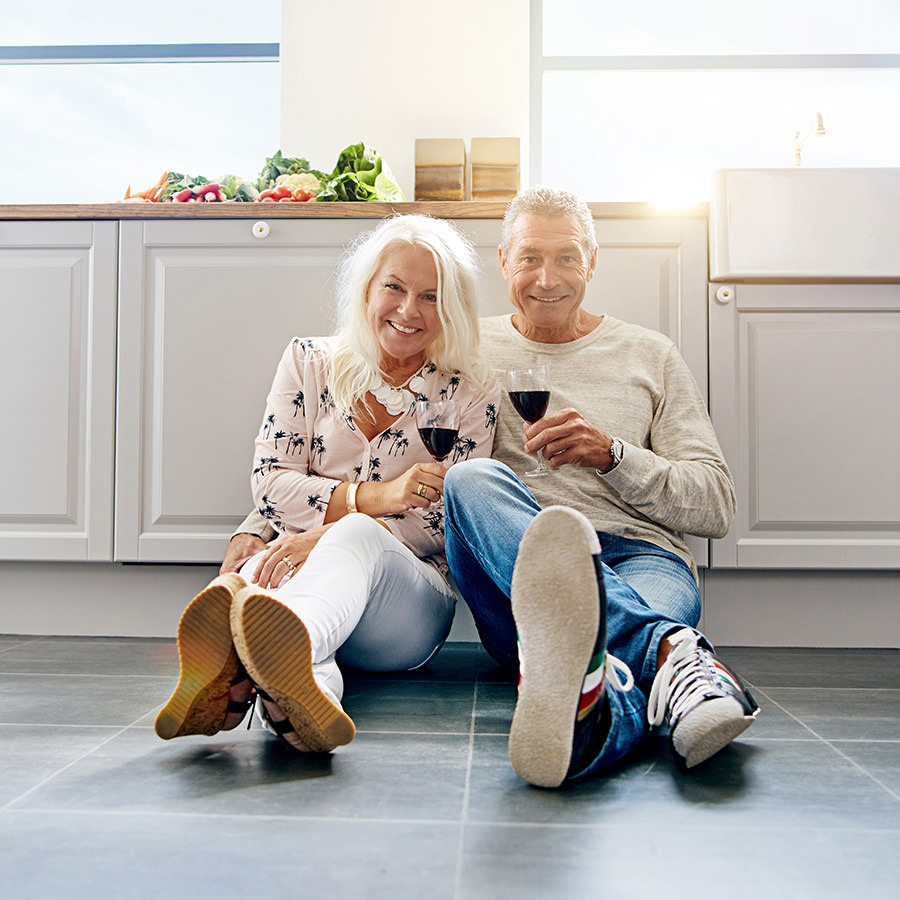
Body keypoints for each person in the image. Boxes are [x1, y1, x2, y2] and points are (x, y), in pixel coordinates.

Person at [441, 186, 759, 787]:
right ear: (504, 260)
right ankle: (674, 659)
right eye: (530, 257)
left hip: (642, 557)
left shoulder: (649, 354)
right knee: (469, 479)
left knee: (611, 660)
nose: (547, 277)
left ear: (592, 262)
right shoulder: (465, 346)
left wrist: (614, 457)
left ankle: (595, 712)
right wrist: (266, 523)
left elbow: (716, 504)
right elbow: (375, 429)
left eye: (567, 257)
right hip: (521, 576)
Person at [155, 214, 500, 753]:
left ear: (451, 308)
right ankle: (296, 694)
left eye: (431, 297)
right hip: (312, 585)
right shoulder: (308, 362)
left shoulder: (471, 391)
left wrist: (322, 533)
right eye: (395, 287)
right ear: (367, 287)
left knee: (347, 541)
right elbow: (270, 484)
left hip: (407, 609)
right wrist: (376, 497)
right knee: (264, 584)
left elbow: (440, 520)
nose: (409, 310)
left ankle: (248, 655)